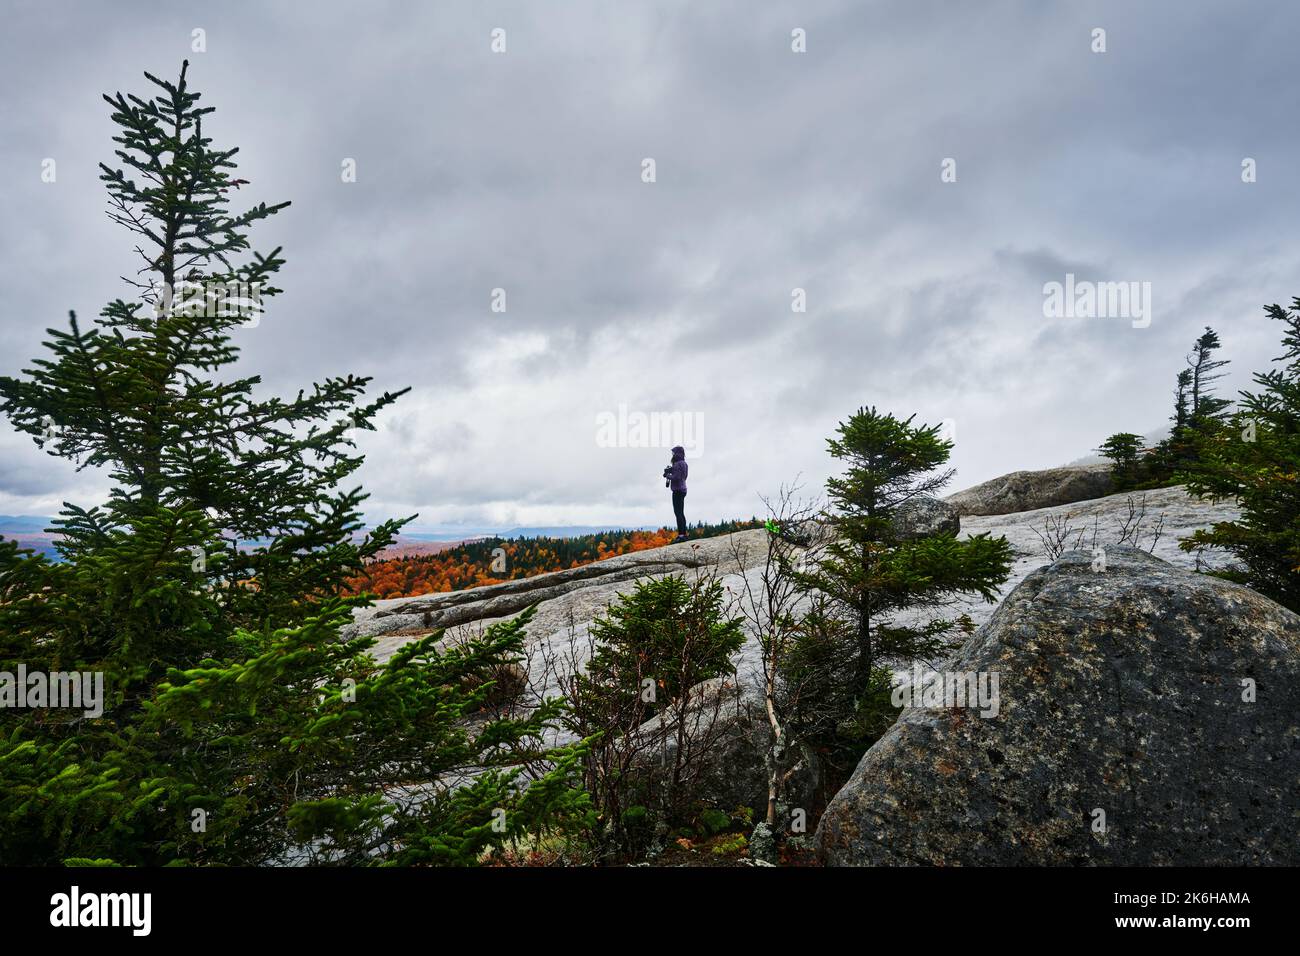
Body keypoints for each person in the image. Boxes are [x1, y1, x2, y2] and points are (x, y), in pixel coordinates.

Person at [663, 445, 688, 541]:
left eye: (674, 453)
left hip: (677, 490)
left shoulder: (677, 464)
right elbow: (683, 477)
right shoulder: (684, 464)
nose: (673, 455)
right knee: (681, 512)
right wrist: (672, 470)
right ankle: (684, 534)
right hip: (683, 489)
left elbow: (676, 477)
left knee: (678, 513)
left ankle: (681, 535)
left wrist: (667, 475)